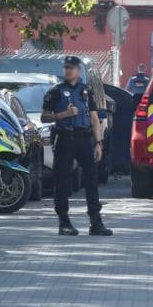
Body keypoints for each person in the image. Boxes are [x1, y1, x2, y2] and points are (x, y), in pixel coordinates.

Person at [41, 56, 113, 236]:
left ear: (78, 70)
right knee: (62, 180)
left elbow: (95, 118)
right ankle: (64, 221)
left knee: (91, 179)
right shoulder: (55, 92)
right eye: (66, 67)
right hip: (64, 138)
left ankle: (95, 222)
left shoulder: (86, 92)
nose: (68, 71)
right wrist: (63, 114)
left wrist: (98, 143)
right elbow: (44, 117)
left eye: (71, 68)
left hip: (83, 138)